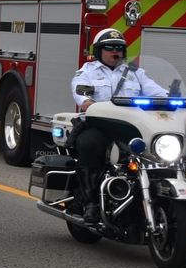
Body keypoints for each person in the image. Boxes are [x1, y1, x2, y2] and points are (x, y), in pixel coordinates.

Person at [69, 27, 168, 223]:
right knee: (90, 144)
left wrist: (173, 100)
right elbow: (79, 92)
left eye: (119, 48)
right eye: (109, 47)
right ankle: (91, 202)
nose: (115, 51)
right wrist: (87, 101)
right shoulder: (87, 71)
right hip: (99, 125)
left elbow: (157, 92)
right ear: (99, 51)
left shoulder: (135, 73)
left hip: (130, 127)